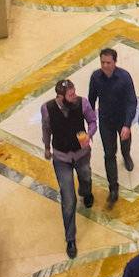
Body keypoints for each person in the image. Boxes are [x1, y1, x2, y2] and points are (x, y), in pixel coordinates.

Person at [40, 78, 95, 256]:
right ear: (60, 96)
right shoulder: (47, 109)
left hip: (81, 154)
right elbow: (46, 129)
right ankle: (70, 239)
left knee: (85, 175)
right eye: (70, 94)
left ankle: (86, 191)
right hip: (61, 157)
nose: (74, 96)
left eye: (74, 92)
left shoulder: (82, 103)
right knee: (68, 198)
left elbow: (92, 121)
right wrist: (47, 147)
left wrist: (89, 134)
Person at [87, 47, 137, 208]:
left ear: (115, 62)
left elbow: (132, 102)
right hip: (106, 121)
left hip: (123, 120)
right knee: (109, 154)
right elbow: (91, 99)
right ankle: (113, 188)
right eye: (102, 62)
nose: (105, 65)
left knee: (125, 144)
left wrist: (127, 125)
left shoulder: (124, 77)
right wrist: (91, 121)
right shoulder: (96, 77)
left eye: (108, 62)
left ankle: (126, 154)